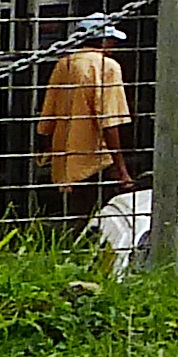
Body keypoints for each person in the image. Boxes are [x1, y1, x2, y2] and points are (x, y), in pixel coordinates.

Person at [37, 16, 135, 229]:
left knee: (74, 215)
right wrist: (122, 169)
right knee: (101, 218)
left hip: (66, 158)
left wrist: (47, 147)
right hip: (95, 160)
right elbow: (109, 121)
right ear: (101, 40)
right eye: (111, 40)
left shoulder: (65, 63)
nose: (113, 45)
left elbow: (48, 114)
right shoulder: (107, 66)